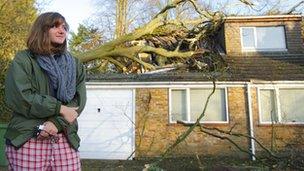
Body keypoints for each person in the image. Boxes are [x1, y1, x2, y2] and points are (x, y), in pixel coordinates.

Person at [4, 12, 87, 170]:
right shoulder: (24, 59)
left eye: (64, 27)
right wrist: (59, 108)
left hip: (64, 137)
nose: (62, 30)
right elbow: (21, 97)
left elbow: (78, 101)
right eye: (55, 26)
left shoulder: (75, 64)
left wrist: (56, 123)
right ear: (41, 30)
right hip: (28, 138)